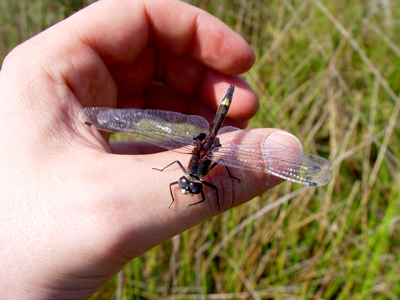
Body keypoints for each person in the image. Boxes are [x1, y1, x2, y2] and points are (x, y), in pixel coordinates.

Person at [0, 0, 302, 298]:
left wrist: (233, 182)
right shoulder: (184, 173)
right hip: (202, 144)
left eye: (189, 185)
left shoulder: (205, 170)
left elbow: (218, 187)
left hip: (210, 141)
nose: (187, 186)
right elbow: (173, 172)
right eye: (190, 185)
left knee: (225, 175)